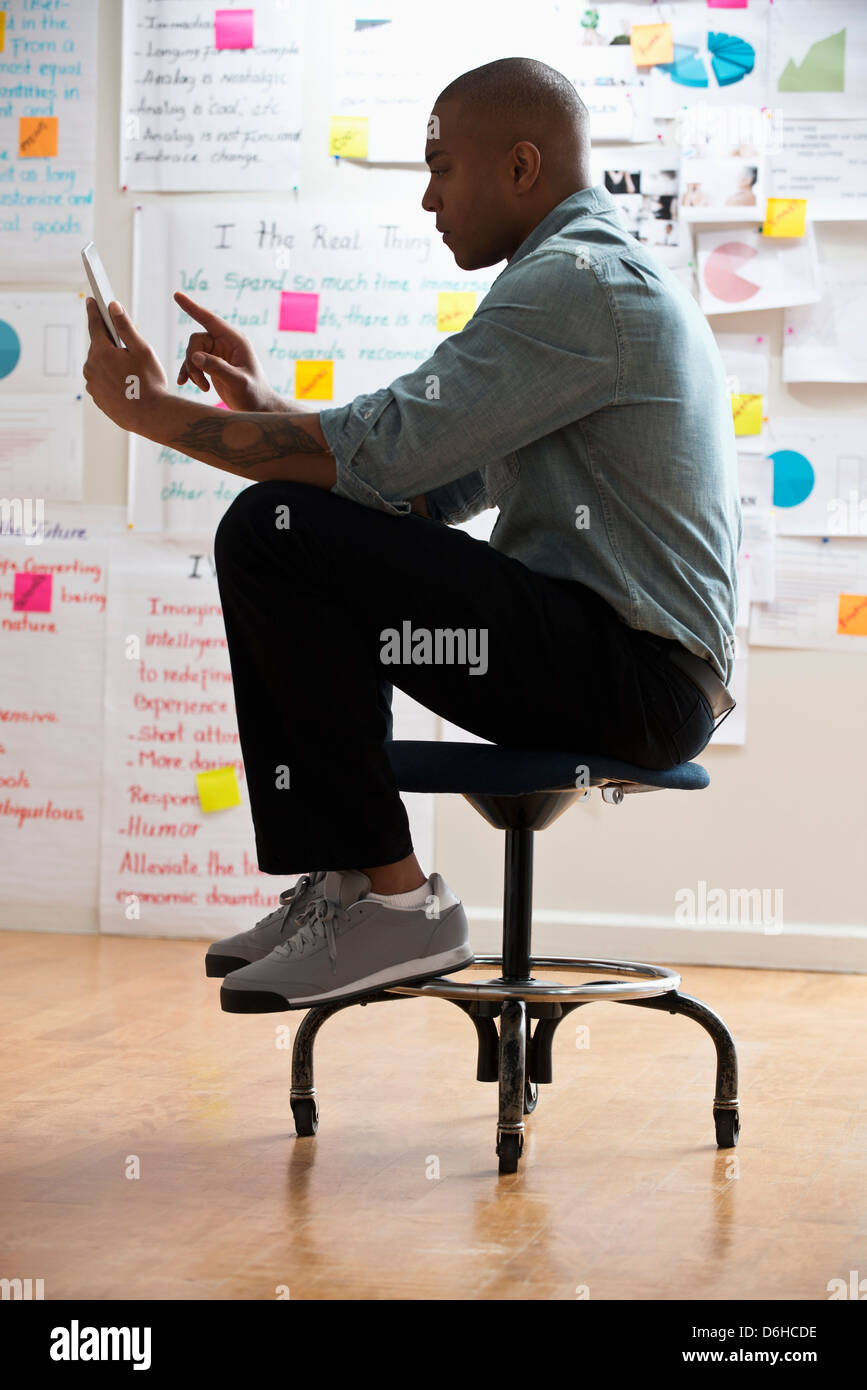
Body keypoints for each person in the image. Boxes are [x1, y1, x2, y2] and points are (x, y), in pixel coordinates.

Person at [82, 57, 741, 1015]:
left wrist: (151, 414)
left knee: (276, 526)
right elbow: (423, 490)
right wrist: (262, 410)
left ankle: (396, 902)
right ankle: (353, 883)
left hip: (636, 676)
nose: (429, 199)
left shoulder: (576, 284)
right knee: (297, 527)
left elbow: (386, 455)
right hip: (616, 664)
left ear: (521, 166)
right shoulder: (578, 271)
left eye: (441, 169)